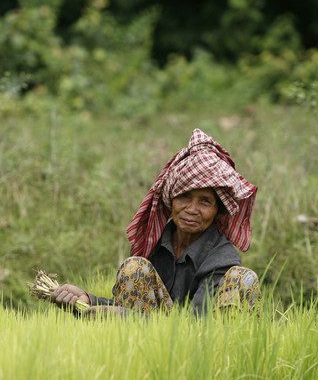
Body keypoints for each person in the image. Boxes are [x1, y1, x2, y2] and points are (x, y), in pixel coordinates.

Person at [52, 128, 260, 317]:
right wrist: (88, 300)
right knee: (134, 267)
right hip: (148, 345)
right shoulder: (156, 244)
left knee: (243, 278)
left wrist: (127, 318)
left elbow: (197, 326)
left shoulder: (221, 258)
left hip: (200, 349)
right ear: (171, 200)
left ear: (217, 211)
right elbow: (132, 308)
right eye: (184, 197)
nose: (192, 209)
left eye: (205, 201)